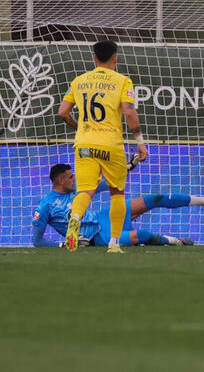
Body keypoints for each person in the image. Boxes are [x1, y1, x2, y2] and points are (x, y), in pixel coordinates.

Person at [58, 40, 147, 254]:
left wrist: (77, 126)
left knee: (85, 191)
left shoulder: (79, 80)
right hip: (111, 145)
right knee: (117, 192)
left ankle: (75, 219)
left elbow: (62, 112)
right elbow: (129, 112)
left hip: (84, 144)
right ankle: (114, 244)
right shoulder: (123, 81)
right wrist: (140, 142)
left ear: (94, 58)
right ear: (115, 58)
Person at [32, 163, 204, 247]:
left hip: (104, 217)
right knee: (142, 236)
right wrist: (65, 244)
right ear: (59, 181)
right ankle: (175, 241)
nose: (74, 178)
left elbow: (107, 184)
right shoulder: (46, 206)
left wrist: (127, 167)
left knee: (154, 198)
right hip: (99, 237)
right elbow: (37, 241)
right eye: (70, 177)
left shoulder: (77, 189)